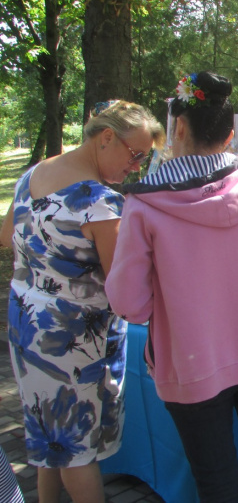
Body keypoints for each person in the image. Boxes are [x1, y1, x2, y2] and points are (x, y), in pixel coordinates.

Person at [105, 72, 238, 503]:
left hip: (194, 358)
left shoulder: (144, 203)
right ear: (230, 135)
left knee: (215, 480)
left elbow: (129, 304)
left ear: (179, 128)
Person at [0, 100, 164, 503]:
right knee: (77, 451)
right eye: (136, 154)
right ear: (106, 138)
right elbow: (123, 285)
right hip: (72, 338)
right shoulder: (100, 203)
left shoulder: (34, 173)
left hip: (26, 324)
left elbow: (7, 236)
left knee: (49, 436)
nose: (137, 166)